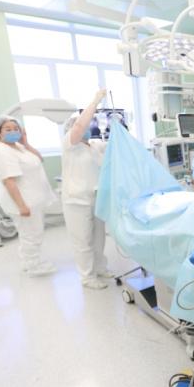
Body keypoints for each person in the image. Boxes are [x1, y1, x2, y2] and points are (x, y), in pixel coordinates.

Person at [0, 117, 56, 276]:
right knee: (30, 235)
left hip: (33, 199)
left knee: (33, 233)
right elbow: (9, 181)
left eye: (16, 129)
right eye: (8, 129)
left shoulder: (18, 146)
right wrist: (22, 206)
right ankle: (33, 266)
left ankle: (29, 262)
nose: (13, 132)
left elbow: (39, 158)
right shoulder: (2, 151)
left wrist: (25, 143)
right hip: (23, 202)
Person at [62, 89, 113, 290]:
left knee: (99, 238)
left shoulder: (94, 145)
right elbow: (79, 125)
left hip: (96, 198)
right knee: (83, 241)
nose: (85, 128)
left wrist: (116, 124)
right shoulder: (69, 144)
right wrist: (96, 100)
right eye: (82, 125)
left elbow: (114, 144)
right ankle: (87, 276)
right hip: (77, 201)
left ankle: (100, 268)